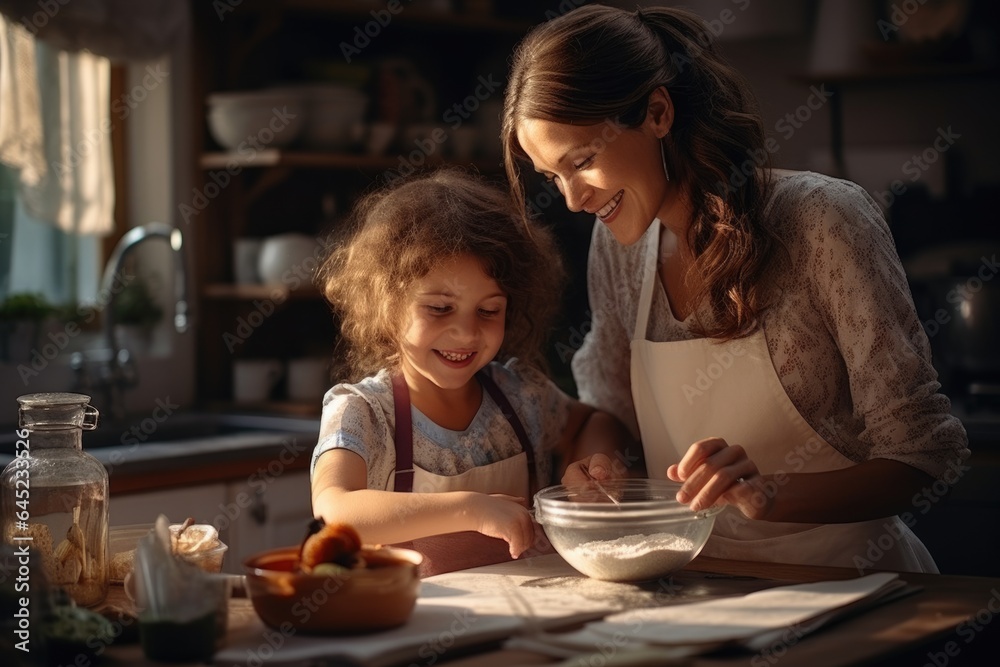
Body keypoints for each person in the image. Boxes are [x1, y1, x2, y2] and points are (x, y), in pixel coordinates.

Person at [501, 4, 970, 572]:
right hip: (703, 584)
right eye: (554, 177)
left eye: (583, 161)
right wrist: (599, 466)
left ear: (657, 112)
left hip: (854, 585)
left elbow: (924, 454)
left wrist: (770, 495)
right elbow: (613, 418)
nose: (573, 199)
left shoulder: (822, 220)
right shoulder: (619, 250)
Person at [310, 168, 637, 576]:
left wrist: (594, 467)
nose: (465, 332)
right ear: (385, 305)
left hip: (534, 613)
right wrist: (470, 508)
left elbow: (594, 419)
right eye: (439, 308)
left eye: (488, 311)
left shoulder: (522, 397)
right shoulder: (363, 412)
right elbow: (335, 508)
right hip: (417, 624)